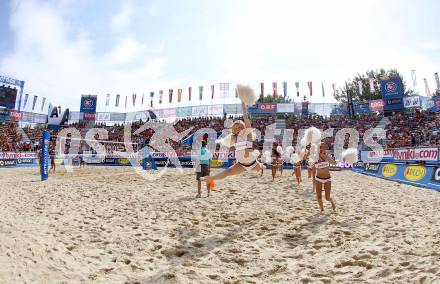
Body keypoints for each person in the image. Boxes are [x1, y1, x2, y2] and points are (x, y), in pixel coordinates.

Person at [200, 101, 264, 183]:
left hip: (253, 163)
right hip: (241, 164)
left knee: (261, 167)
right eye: (235, 127)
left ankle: (262, 166)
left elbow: (245, 117)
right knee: (227, 172)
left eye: (240, 127)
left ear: (243, 127)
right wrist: (237, 158)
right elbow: (236, 149)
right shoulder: (233, 138)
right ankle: (211, 178)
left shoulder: (248, 133)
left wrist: (243, 103)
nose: (237, 128)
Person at [314, 143, 337, 212]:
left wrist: (330, 158)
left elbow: (334, 163)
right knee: (319, 197)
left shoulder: (327, 157)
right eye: (320, 147)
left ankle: (332, 202)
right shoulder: (315, 157)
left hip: (327, 179)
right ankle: (322, 210)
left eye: (323, 147)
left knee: (327, 198)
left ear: (325, 149)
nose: (321, 148)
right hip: (318, 178)